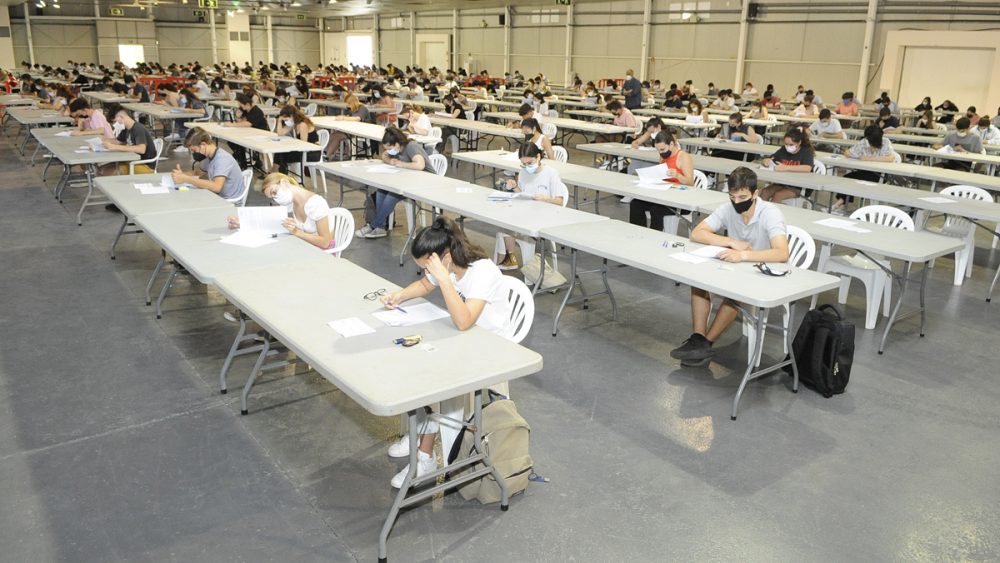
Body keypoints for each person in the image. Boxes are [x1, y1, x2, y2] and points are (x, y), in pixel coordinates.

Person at [380, 216, 514, 487]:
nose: (425, 271)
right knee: (413, 360)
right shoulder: (446, 263)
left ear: (446, 256)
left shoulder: (483, 271)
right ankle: (420, 434)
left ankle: (425, 457)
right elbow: (426, 285)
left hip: (492, 345)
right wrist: (399, 296)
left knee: (432, 377)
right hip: (464, 337)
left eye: (427, 265)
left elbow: (464, 321)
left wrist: (445, 281)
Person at [669, 166, 789, 367]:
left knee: (735, 294)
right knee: (698, 282)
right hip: (734, 262)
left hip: (761, 268)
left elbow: (782, 253)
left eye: (742, 198)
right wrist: (730, 242)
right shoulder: (728, 208)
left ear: (755, 193)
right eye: (732, 197)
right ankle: (698, 338)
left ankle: (706, 343)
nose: (737, 203)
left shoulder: (770, 213)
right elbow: (697, 233)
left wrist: (742, 255)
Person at [494, 143, 567, 269]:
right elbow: (523, 194)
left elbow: (560, 202)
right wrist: (515, 187)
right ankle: (508, 259)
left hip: (545, 215)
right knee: (503, 222)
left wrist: (546, 199)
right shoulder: (523, 172)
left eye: (529, 162)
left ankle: (508, 259)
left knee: (507, 225)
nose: (527, 166)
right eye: (524, 164)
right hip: (527, 211)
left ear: (538, 157)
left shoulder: (551, 173)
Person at [355, 127, 436, 239]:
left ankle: (374, 226)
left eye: (390, 148)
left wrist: (401, 164)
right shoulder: (397, 149)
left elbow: (420, 165)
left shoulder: (411, 146)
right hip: (410, 180)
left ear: (397, 144)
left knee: (392, 196)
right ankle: (381, 228)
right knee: (381, 191)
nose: (389, 151)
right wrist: (390, 161)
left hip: (426, 181)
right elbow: (384, 156)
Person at [227, 172, 334, 250]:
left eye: (274, 192)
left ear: (284, 182)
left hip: (323, 252)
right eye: (272, 198)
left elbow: (325, 242)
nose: (276, 198)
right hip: (306, 246)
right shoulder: (290, 202)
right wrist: (243, 223)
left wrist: (297, 232)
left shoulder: (316, 203)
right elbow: (268, 222)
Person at [628, 130, 696, 232]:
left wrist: (677, 175)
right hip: (663, 195)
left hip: (680, 199)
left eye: (663, 149)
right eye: (658, 150)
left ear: (671, 144)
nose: (661, 153)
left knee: (656, 210)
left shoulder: (683, 157)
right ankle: (638, 233)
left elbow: (690, 182)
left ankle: (655, 237)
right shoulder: (663, 155)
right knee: (635, 204)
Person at [831, 125, 896, 213]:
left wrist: (869, 158)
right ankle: (841, 205)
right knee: (847, 178)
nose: (868, 141)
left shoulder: (885, 142)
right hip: (865, 171)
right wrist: (853, 155)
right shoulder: (864, 142)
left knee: (852, 180)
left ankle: (838, 205)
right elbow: (848, 153)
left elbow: (891, 158)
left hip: (880, 174)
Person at [171, 128, 247, 199]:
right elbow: (197, 173)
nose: (194, 153)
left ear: (203, 144)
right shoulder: (210, 156)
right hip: (219, 197)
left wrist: (187, 179)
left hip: (230, 202)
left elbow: (217, 187)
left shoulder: (222, 159)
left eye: (194, 150)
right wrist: (181, 175)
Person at [757, 127, 815, 203]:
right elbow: (771, 158)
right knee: (764, 192)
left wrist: (785, 167)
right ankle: (762, 213)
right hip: (781, 183)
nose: (788, 147)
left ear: (799, 142)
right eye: (786, 144)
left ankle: (774, 214)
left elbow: (807, 168)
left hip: (797, 186)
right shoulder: (783, 150)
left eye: (791, 144)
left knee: (778, 195)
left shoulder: (806, 151)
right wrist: (765, 161)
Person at [100, 103, 158, 175]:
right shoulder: (126, 128)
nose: (114, 125)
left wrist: (114, 147)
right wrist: (101, 141)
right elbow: (117, 141)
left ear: (121, 117)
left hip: (144, 165)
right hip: (131, 161)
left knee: (107, 172)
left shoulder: (138, 129)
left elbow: (141, 149)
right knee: (100, 169)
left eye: (114, 121)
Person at [224, 93, 269, 169]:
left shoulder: (256, 111)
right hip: (250, 133)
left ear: (247, 104)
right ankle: (241, 160)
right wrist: (237, 117)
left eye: (241, 105)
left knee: (239, 142)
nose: (240, 107)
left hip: (261, 135)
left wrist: (232, 125)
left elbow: (248, 124)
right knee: (232, 141)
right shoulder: (247, 110)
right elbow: (242, 122)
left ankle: (242, 162)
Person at [271, 105, 320, 175]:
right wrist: (279, 121)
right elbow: (280, 134)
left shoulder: (303, 124)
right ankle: (276, 173)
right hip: (304, 150)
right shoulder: (295, 123)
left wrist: (290, 144)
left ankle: (276, 173)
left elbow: (303, 143)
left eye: (286, 120)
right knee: (280, 152)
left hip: (312, 153)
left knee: (281, 154)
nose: (285, 122)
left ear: (292, 116)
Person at [324, 94, 371, 159]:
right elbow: (350, 117)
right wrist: (345, 117)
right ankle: (324, 152)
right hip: (352, 130)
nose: (348, 106)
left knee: (337, 136)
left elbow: (357, 118)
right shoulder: (352, 109)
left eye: (349, 104)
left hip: (362, 132)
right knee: (333, 135)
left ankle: (327, 156)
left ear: (353, 103)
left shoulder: (362, 108)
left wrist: (343, 118)